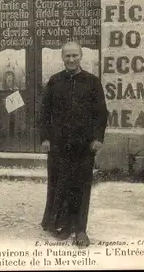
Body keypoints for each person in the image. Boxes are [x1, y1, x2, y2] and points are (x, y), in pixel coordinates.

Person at [40, 41, 108, 247]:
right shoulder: (54, 81)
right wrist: (45, 139)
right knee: (59, 183)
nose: (71, 59)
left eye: (74, 56)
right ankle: (61, 224)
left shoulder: (92, 82)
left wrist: (98, 138)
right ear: (62, 57)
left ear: (81, 57)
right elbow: (44, 113)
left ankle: (80, 230)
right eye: (67, 56)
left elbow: (101, 113)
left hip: (84, 145)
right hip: (59, 144)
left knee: (81, 185)